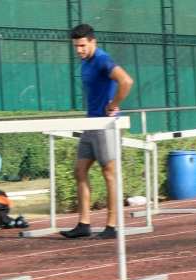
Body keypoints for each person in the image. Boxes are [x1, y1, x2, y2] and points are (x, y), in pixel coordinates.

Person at [60, 23, 134, 240]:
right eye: (76, 46)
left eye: (82, 45)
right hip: (90, 124)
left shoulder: (102, 59)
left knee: (109, 175)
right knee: (79, 171)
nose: (79, 50)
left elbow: (126, 81)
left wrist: (113, 105)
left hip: (106, 126)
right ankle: (84, 224)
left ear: (93, 42)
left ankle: (112, 227)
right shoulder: (84, 62)